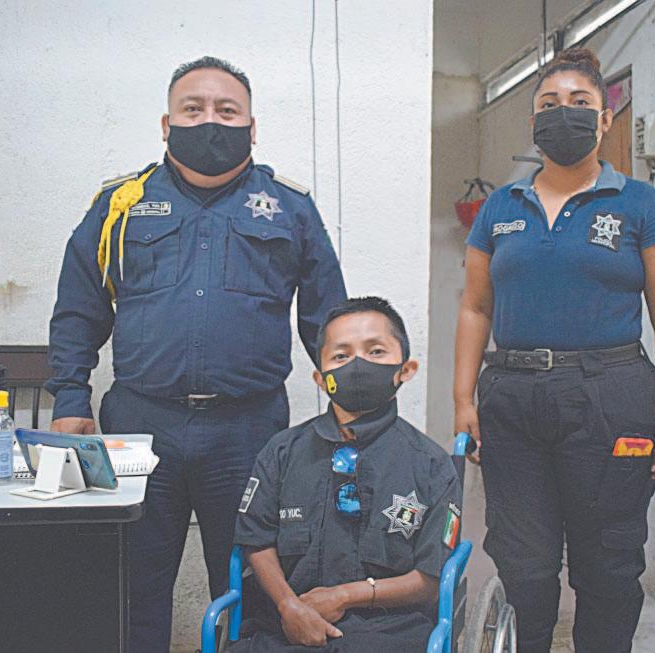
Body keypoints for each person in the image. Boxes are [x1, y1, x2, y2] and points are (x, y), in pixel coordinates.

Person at [45, 56, 346, 652]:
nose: (210, 121)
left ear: (252, 128)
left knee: (252, 583)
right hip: (141, 423)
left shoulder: (290, 207)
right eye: (193, 108)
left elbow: (328, 320)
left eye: (227, 111)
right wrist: (71, 397)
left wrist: (348, 405)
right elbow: (79, 306)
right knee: (133, 581)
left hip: (249, 429)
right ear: (166, 124)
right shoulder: (120, 204)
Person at [453, 48, 655, 653]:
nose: (564, 113)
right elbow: (475, 307)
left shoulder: (640, 205)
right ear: (533, 120)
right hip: (512, 399)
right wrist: (463, 400)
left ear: (605, 119)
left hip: (611, 398)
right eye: (550, 103)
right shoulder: (499, 208)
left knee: (608, 562)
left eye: (580, 102)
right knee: (524, 564)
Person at [230, 297, 462, 652]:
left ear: (406, 369)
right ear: (320, 379)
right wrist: (288, 606)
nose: (357, 364)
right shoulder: (282, 452)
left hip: (390, 631)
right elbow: (256, 541)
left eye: (376, 351)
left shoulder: (431, 465)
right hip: (286, 626)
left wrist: (346, 595)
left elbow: (431, 579)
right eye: (341, 356)